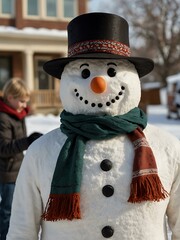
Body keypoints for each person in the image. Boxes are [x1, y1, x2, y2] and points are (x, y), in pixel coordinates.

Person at [7, 13, 180, 240]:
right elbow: (22, 230)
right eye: (85, 72)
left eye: (111, 71)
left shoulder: (167, 148)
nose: (98, 84)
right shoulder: (42, 151)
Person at [0, 78, 42, 240]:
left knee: (16, 208)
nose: (25, 105)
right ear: (10, 98)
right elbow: (3, 148)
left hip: (17, 168)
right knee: (7, 210)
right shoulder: (3, 118)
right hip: (7, 171)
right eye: (22, 101)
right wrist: (27, 141)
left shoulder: (18, 114)